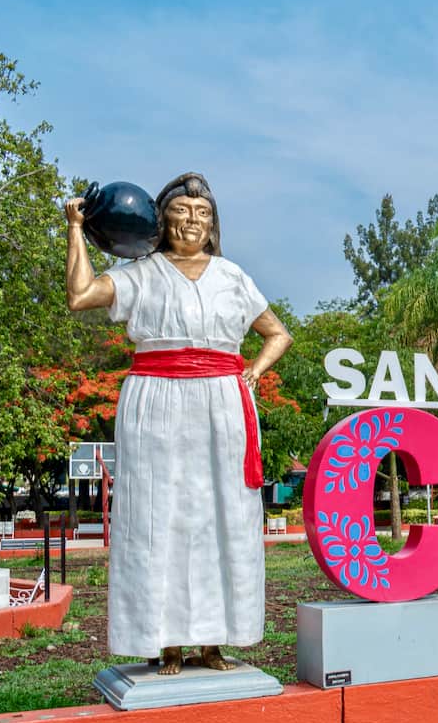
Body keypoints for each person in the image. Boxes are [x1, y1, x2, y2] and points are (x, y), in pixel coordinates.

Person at [64, 173, 292, 674]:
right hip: (157, 399)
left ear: (213, 224)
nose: (192, 221)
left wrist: (252, 371)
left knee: (222, 517)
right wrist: (76, 229)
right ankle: (164, 639)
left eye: (202, 213)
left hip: (222, 402)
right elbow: (80, 295)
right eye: (182, 211)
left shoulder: (232, 276)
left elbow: (277, 334)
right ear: (160, 218)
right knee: (155, 516)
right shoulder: (141, 273)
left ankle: (212, 641)